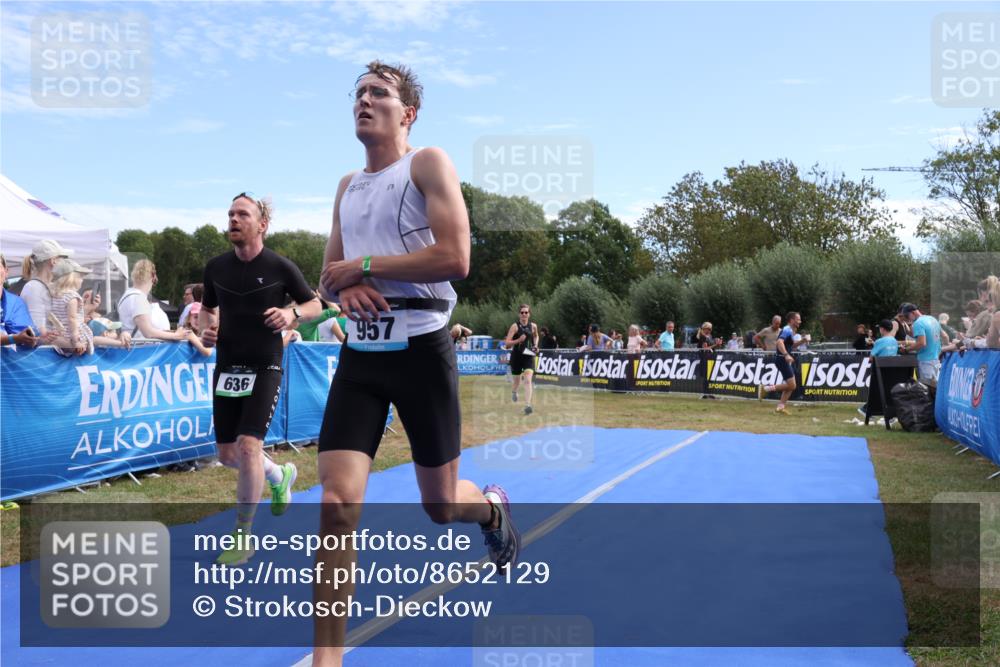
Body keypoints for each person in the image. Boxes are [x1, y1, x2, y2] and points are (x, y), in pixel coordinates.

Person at [313, 61, 519, 665]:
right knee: (336, 504)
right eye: (358, 92)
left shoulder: (427, 163)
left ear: (407, 113)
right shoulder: (347, 185)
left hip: (423, 351)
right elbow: (328, 277)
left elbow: (456, 257)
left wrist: (365, 267)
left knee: (440, 505)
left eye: (378, 92)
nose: (364, 99)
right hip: (361, 354)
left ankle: (491, 509)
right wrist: (347, 286)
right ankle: (328, 660)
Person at [200, 192, 322, 566]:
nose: (233, 219)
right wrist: (206, 329)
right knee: (227, 454)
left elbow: (317, 305)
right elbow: (207, 309)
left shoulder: (280, 266)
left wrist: (292, 314)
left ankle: (243, 536)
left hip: (265, 365)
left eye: (242, 214)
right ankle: (279, 474)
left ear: (262, 224)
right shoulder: (216, 267)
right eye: (230, 214)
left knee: (249, 445)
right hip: (228, 367)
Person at [20, 239, 84, 340]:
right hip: (44, 349)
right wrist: (71, 344)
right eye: (63, 258)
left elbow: (62, 317)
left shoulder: (50, 286)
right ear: (53, 261)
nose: (66, 262)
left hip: (55, 347)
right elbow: (36, 332)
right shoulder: (34, 288)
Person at [117, 260, 188, 342]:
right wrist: (175, 335)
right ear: (153, 276)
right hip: (141, 347)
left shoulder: (127, 295)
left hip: (131, 345)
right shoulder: (139, 298)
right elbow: (148, 332)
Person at [760, 311, 807, 414]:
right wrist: (786, 355)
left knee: (790, 386)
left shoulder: (789, 330)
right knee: (792, 386)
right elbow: (779, 342)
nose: (800, 321)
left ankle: (780, 407)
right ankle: (766, 388)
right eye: (798, 319)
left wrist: (803, 341)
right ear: (792, 320)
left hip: (783, 359)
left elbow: (792, 345)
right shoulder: (787, 330)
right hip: (782, 359)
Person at [505, 304, 539, 415]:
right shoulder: (514, 327)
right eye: (522, 312)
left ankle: (528, 405)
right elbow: (507, 345)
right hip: (516, 357)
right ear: (519, 314)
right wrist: (518, 340)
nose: (524, 314)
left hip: (528, 356)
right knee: (517, 381)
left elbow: (536, 336)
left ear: (529, 314)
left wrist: (535, 345)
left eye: (526, 312)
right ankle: (514, 391)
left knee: (528, 380)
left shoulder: (533, 326)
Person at [898, 303, 943, 385]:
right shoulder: (932, 319)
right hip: (936, 359)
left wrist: (906, 349)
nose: (907, 319)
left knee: (927, 387)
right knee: (936, 386)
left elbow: (921, 343)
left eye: (907, 316)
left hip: (925, 361)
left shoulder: (918, 323)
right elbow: (945, 336)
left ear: (913, 313)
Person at [1, 254, 38, 347]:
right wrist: (13, 338)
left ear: (6, 271)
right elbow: (17, 337)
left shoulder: (17, 302)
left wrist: (32, 339)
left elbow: (27, 334)